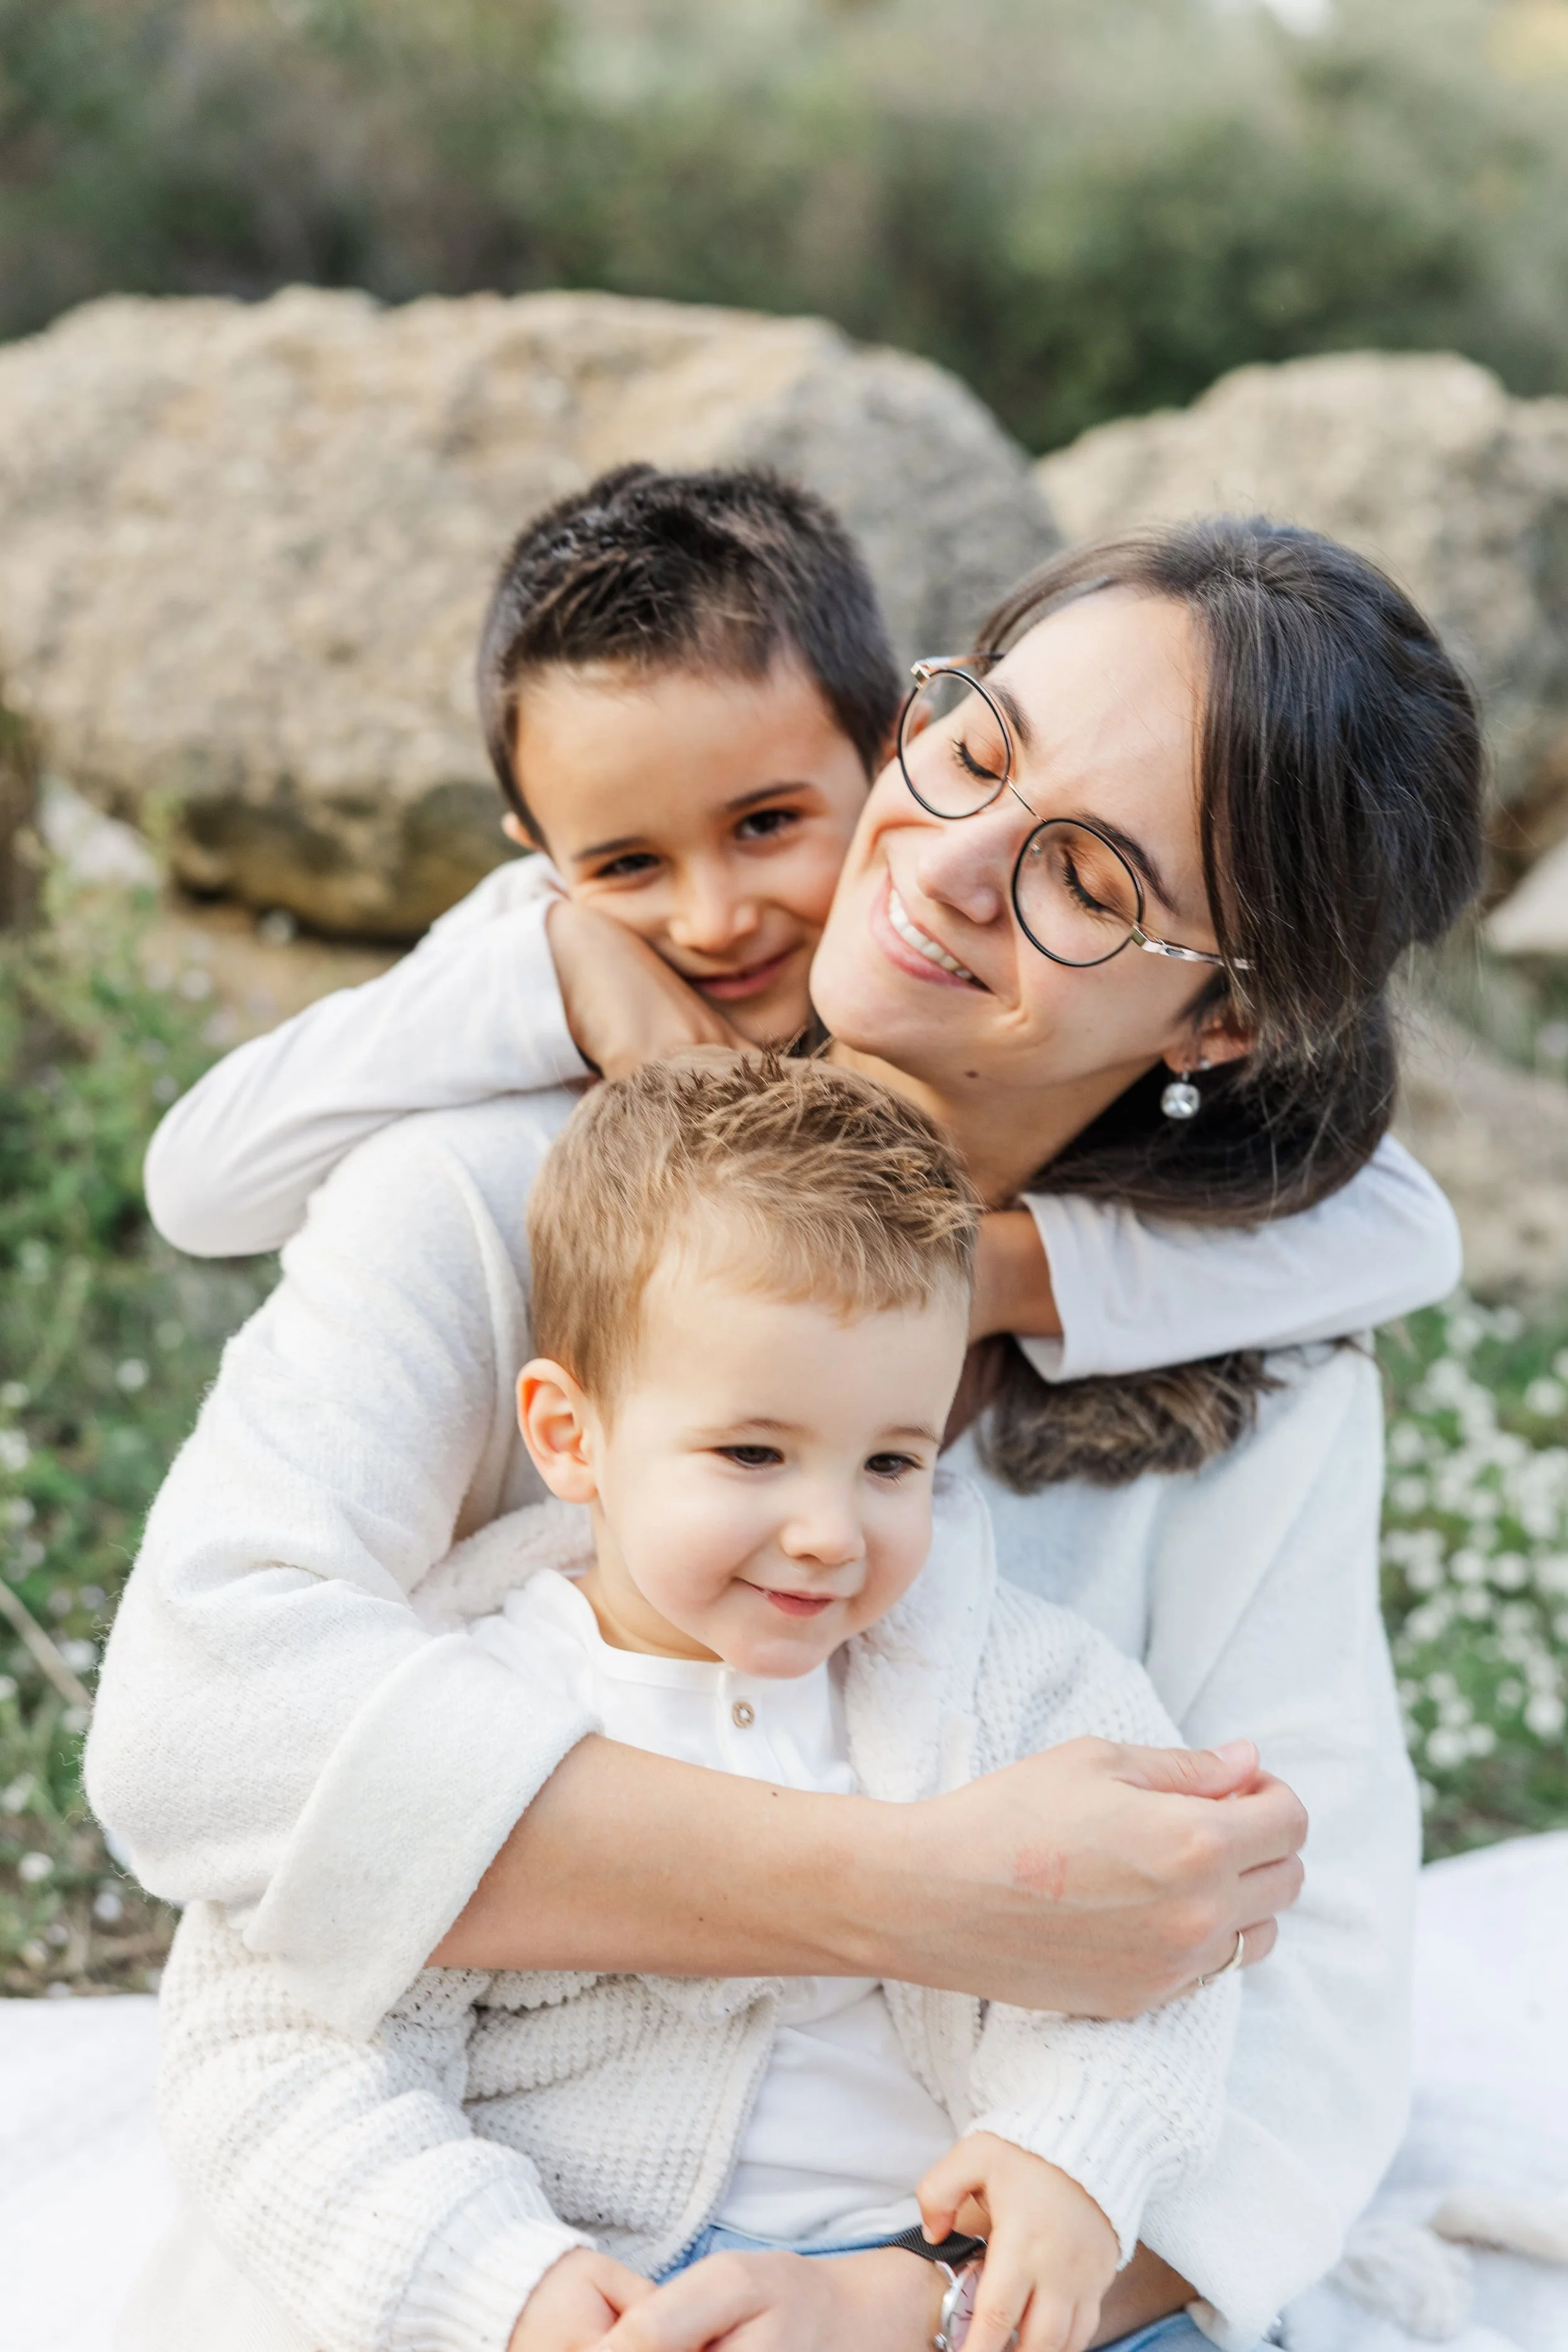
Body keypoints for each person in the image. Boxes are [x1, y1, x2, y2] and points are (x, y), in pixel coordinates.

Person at [90, 514, 1485, 2350]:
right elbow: (200, 1727)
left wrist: (916, 2303)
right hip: (463, 2241)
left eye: (1089, 874)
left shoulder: (1257, 1372)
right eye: (977, 742)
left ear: (1219, 1014)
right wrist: (918, 1893)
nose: (952, 861)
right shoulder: (486, 1189)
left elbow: (1309, 1975)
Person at [134, 1054, 1240, 2352]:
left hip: (926, 2275)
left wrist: (1069, 2156)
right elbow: (289, 2054)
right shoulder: (470, 1702)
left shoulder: (1016, 1683)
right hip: (600, 2287)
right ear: (568, 1434)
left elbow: (1161, 1954)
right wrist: (498, 2283)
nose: (829, 1532)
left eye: (892, 1460)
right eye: (753, 1453)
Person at [140, 464, 1456, 1377]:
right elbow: (198, 1187)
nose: (710, 918)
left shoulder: (912, 939)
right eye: (980, 756)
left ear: (868, 740)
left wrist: (975, 1278)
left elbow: (1403, 1237)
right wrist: (568, 964)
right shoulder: (554, 946)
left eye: (1089, 885)